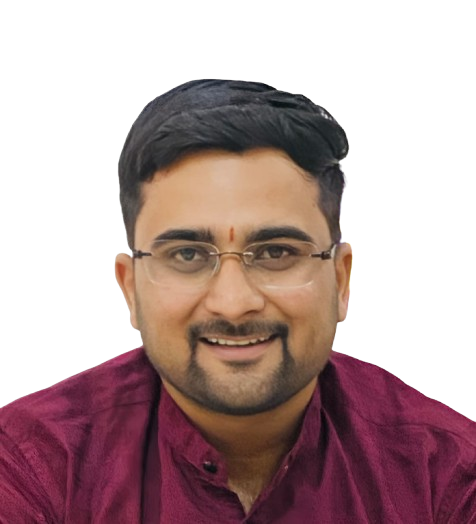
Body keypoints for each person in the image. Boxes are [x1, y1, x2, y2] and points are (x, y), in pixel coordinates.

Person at [0, 80, 474, 523]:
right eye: (187, 255)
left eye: (275, 253)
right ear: (131, 288)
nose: (233, 303)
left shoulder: (445, 475)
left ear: (340, 279)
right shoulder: (32, 465)